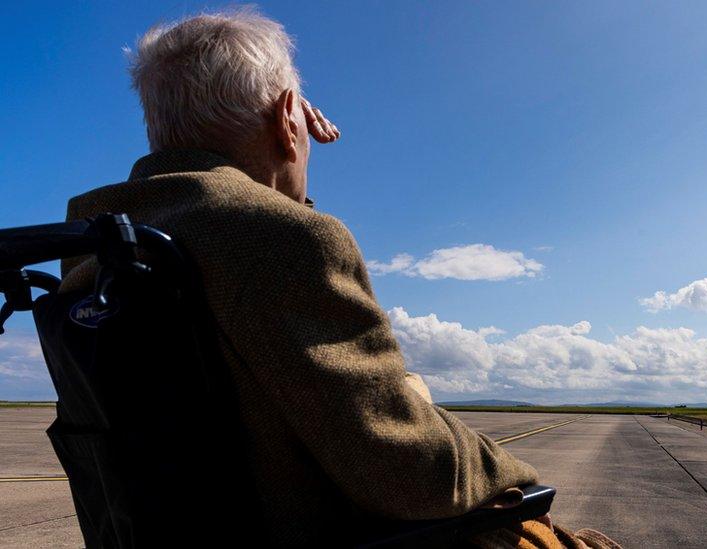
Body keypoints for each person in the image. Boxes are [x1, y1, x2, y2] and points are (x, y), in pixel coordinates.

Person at [60, 9, 617, 548]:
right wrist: (512, 469)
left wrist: (281, 153)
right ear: (287, 115)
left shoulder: (99, 245)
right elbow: (412, 472)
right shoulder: (282, 241)